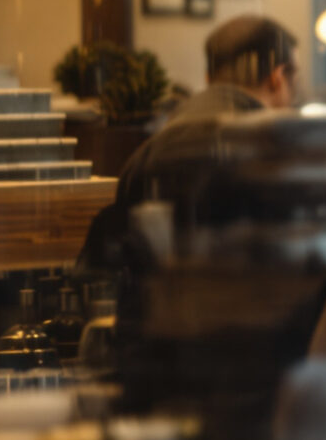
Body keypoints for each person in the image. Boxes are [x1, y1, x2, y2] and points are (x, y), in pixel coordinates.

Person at [79, 16, 303, 270]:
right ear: (277, 78)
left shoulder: (149, 151)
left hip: (160, 292)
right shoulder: (274, 153)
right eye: (295, 81)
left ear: (208, 77)